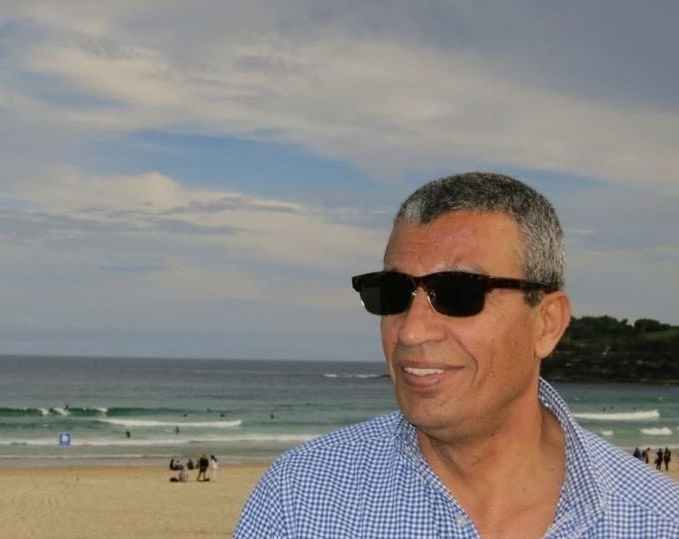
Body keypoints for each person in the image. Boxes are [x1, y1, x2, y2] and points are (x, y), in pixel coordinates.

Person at [235, 172, 679, 537]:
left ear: (546, 323)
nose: (410, 329)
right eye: (392, 293)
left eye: (458, 293)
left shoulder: (656, 520)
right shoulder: (300, 500)